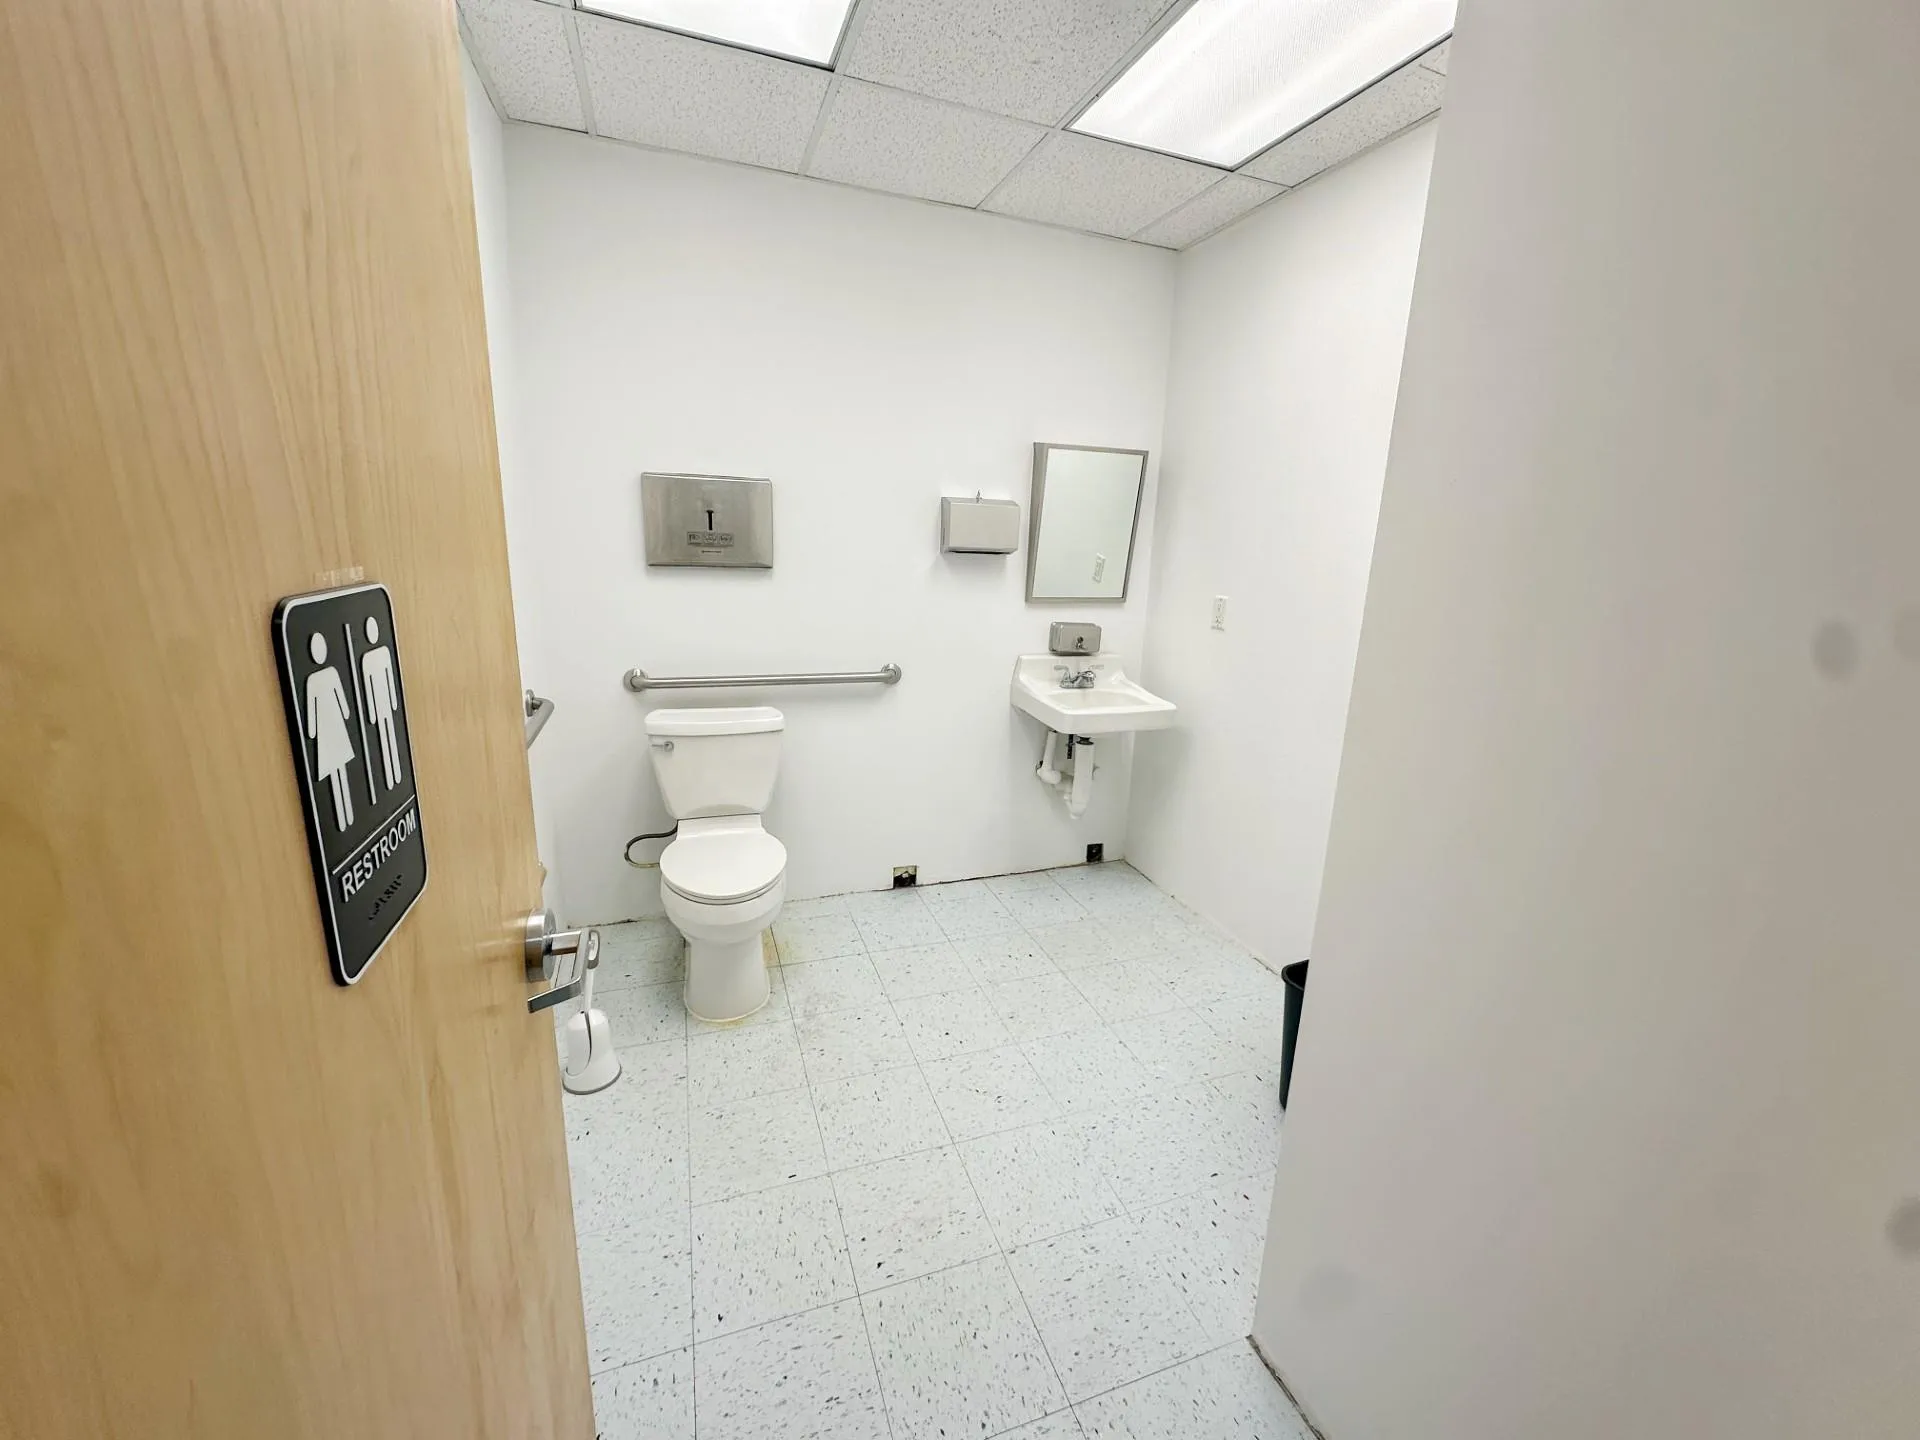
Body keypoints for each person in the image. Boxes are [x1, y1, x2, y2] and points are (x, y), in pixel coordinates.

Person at [304, 631, 356, 830]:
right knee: (338, 770)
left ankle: (345, 818)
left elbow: (312, 714)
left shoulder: (315, 680)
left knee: (337, 771)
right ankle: (345, 819)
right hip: (333, 729)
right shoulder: (327, 675)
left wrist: (312, 732)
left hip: (328, 732)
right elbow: (344, 708)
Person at [360, 616, 402, 791]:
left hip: (384, 705)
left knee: (389, 736)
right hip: (379, 707)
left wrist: (393, 702)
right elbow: (368, 686)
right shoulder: (366, 659)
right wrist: (371, 713)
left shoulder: (383, 653)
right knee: (383, 739)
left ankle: (396, 774)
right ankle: (390, 778)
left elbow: (390, 679)